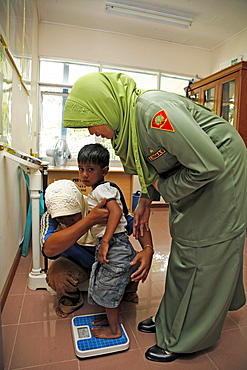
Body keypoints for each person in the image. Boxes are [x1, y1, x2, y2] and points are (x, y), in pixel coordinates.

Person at [63, 72, 247, 362]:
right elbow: (154, 163)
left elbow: (209, 164)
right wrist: (145, 201)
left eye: (90, 120)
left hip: (222, 170)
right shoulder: (130, 127)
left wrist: (163, 187)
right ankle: (170, 319)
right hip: (200, 172)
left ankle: (185, 338)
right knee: (184, 245)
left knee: (203, 252)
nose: (90, 130)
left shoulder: (152, 113)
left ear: (106, 106)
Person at [77, 143, 154, 339]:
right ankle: (110, 318)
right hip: (115, 244)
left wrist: (105, 242)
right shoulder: (102, 188)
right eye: (81, 169)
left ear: (104, 171)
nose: (84, 174)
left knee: (107, 287)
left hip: (115, 245)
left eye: (90, 169)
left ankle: (114, 330)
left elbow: (116, 212)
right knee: (104, 284)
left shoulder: (102, 189)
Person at [41, 179, 144, 318]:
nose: (67, 222)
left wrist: (148, 248)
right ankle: (71, 300)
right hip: (77, 263)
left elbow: (136, 223)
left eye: (72, 216)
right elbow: (49, 249)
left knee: (135, 261)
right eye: (61, 219)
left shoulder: (97, 205)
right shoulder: (51, 216)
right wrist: (89, 220)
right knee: (57, 273)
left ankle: (126, 293)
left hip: (108, 261)